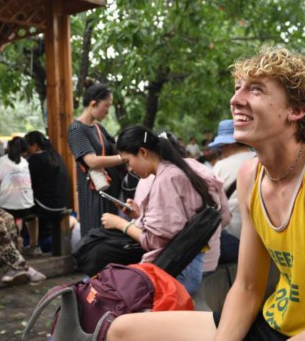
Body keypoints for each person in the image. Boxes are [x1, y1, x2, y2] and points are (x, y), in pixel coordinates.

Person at [107, 47, 305, 340]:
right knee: (123, 331)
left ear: (296, 110)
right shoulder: (250, 175)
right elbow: (248, 287)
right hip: (279, 324)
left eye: (256, 90)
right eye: (238, 88)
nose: (236, 100)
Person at [100, 126, 223, 296]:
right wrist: (138, 215)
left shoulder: (166, 179)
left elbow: (156, 241)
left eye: (128, 161)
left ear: (143, 152)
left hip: (178, 275)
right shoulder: (173, 171)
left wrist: (121, 224)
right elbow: (174, 223)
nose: (129, 169)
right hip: (188, 267)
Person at [67, 81, 126, 237]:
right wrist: (123, 158)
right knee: (95, 236)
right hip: (92, 193)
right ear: (93, 104)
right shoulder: (76, 129)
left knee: (110, 235)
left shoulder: (99, 128)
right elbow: (91, 161)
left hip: (108, 190)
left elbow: (115, 146)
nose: (107, 111)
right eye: (106, 106)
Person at [208, 119, 256, 264]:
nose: (221, 150)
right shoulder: (262, 160)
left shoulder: (220, 167)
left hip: (235, 237)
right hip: (265, 235)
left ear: (230, 144)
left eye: (221, 146)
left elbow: (212, 203)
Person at [0, 137, 40, 254]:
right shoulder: (25, 162)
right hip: (27, 207)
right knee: (30, 216)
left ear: (8, 147)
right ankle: (34, 246)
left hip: (7, 208)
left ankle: (6, 248)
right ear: (24, 152)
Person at [24, 131, 69, 251]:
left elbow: (27, 185)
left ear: (35, 145)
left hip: (46, 206)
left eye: (27, 146)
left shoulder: (34, 160)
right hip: (61, 204)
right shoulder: (56, 156)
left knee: (23, 206)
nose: (26, 150)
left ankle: (33, 245)